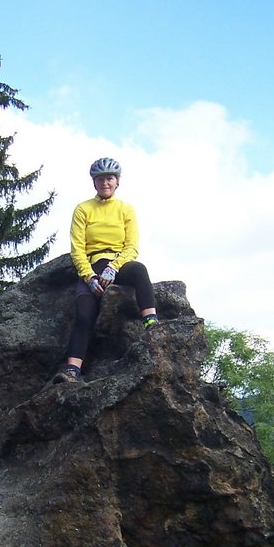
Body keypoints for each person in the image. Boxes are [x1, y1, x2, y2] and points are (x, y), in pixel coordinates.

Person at [53, 157, 159, 384]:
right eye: (100, 179)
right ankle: (73, 370)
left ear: (117, 182)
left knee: (139, 271)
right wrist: (89, 276)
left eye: (109, 178)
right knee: (83, 314)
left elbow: (132, 246)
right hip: (92, 265)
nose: (105, 183)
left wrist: (114, 267)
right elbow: (77, 249)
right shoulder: (83, 209)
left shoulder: (126, 210)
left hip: (118, 264)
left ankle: (151, 324)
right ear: (94, 183)